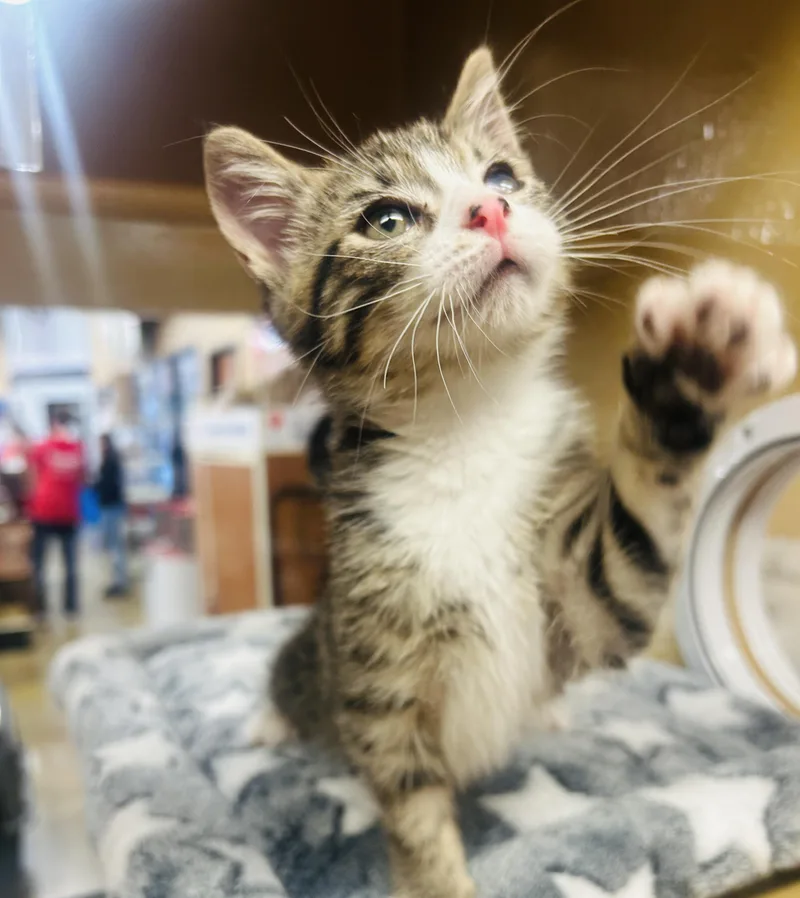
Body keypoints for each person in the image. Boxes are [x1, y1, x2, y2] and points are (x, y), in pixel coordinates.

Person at [28, 411, 85, 618]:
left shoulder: (42, 447)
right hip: (67, 513)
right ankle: (70, 607)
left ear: (52, 424)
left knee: (39, 564)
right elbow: (82, 478)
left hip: (44, 512)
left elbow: (31, 476)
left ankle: (40, 608)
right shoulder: (78, 448)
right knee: (68, 564)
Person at [96, 434, 128, 598]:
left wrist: (95, 485)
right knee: (114, 546)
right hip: (112, 506)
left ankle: (120, 583)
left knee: (115, 546)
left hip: (111, 507)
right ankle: (118, 581)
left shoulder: (110, 461)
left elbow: (108, 485)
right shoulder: (111, 460)